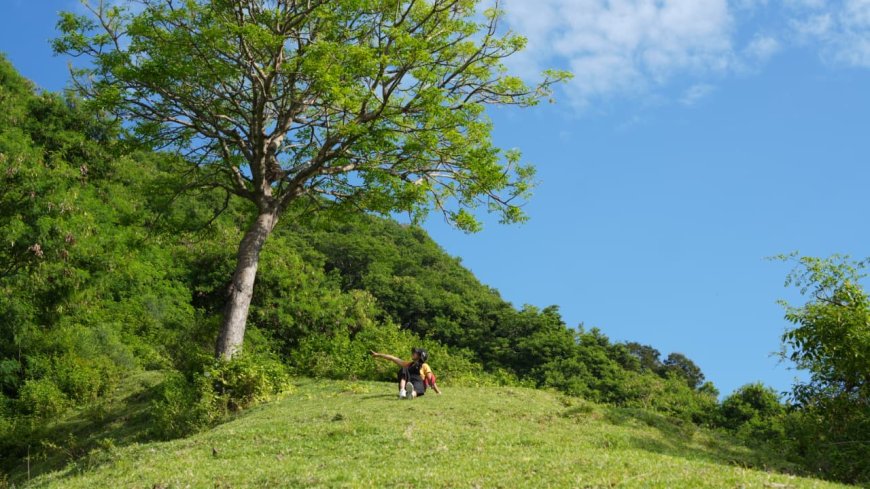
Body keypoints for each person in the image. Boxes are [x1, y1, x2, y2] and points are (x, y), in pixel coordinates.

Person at [370, 347, 441, 398]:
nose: (413, 353)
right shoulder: (408, 364)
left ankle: (411, 394)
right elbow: (393, 358)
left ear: (420, 356)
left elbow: (431, 380)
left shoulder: (424, 365)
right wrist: (378, 355)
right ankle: (402, 391)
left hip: (419, 385)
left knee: (416, 389)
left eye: (415, 353)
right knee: (404, 369)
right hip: (408, 383)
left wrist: (438, 392)